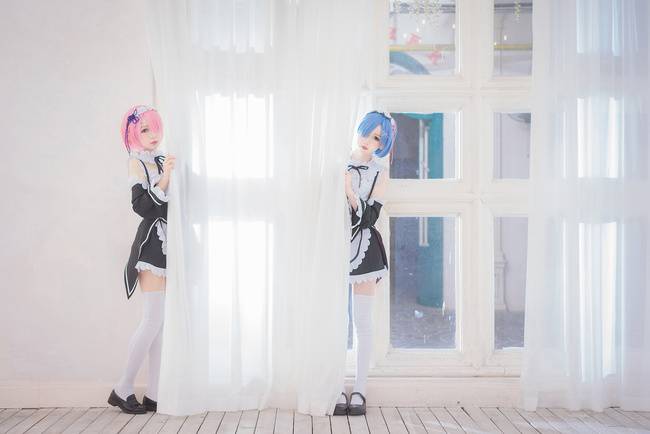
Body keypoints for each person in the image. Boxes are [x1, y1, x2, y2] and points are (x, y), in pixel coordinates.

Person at [108, 105, 176, 414]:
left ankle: (154, 393)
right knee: (152, 320)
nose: (152, 134)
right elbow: (141, 206)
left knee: (160, 324)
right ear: (133, 134)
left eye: (155, 127)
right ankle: (122, 388)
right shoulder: (137, 163)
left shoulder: (161, 160)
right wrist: (165, 179)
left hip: (169, 244)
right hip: (151, 244)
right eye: (144, 129)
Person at [335, 111, 396, 416]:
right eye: (366, 132)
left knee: (362, 320)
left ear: (382, 144)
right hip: (334, 248)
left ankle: (360, 388)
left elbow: (370, 217)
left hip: (365, 250)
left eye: (377, 138)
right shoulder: (336, 163)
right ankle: (334, 385)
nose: (368, 141)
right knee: (335, 320)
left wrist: (349, 192)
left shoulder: (380, 174)